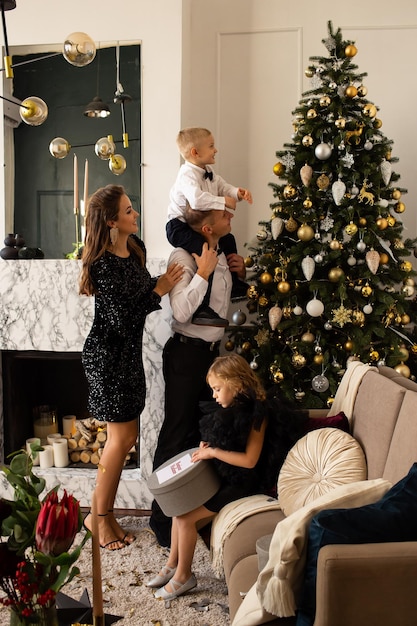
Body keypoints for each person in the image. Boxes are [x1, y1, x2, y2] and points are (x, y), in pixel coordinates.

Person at [146, 354, 306, 600]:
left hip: (243, 483)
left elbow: (250, 460)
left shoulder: (257, 413)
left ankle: (184, 576)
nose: (214, 395)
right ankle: (172, 566)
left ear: (237, 384)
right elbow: (231, 441)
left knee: (187, 519)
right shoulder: (233, 408)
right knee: (179, 511)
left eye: (218, 389)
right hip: (228, 476)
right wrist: (210, 446)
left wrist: (214, 452)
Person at [79, 184, 183, 551]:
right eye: (127, 211)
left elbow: (136, 297)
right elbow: (122, 319)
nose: (134, 214)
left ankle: (101, 515)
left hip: (128, 357)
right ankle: (99, 518)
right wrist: (159, 289)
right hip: (108, 358)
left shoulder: (133, 250)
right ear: (111, 222)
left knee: (124, 439)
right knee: (120, 440)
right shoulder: (102, 264)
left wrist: (158, 285)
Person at [149, 203, 243, 548]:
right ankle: (161, 525)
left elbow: (219, 306)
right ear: (207, 226)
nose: (230, 219)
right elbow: (181, 310)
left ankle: (189, 518)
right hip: (185, 355)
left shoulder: (219, 251)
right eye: (224, 215)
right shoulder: (184, 257)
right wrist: (202, 272)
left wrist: (238, 272)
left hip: (210, 357)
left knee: (202, 435)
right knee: (175, 435)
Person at [167, 127, 252, 326]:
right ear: (195, 152)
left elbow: (223, 186)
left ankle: (236, 283)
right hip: (179, 226)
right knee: (207, 253)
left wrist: (237, 193)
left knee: (228, 240)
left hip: (195, 224)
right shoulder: (187, 174)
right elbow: (196, 201)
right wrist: (224, 202)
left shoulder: (208, 171)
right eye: (211, 146)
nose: (216, 150)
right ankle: (202, 308)